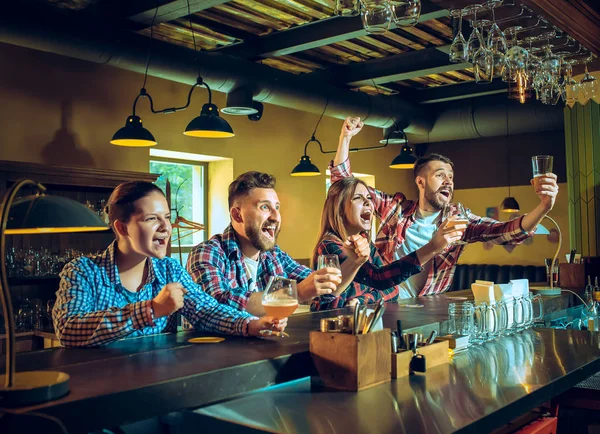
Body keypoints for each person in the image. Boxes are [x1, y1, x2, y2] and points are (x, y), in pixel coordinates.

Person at [331, 117, 559, 297]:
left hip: (427, 308)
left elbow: (505, 232)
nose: (448, 181)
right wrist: (345, 138)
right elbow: (344, 187)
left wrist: (545, 206)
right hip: (383, 302)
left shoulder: (459, 222)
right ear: (420, 182)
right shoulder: (395, 209)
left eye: (450, 176)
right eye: (440, 175)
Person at [52, 181, 285, 347]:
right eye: (152, 219)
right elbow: (68, 329)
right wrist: (150, 310)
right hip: (101, 389)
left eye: (166, 217)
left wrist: (251, 325)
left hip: (159, 385)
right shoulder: (82, 271)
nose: (166, 228)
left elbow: (206, 310)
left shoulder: (169, 269)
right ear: (121, 228)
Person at [187, 171, 342, 316]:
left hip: (266, 343)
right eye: (265, 207)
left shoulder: (274, 255)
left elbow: (322, 287)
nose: (276, 217)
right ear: (237, 214)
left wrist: (355, 261)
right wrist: (296, 293)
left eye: (277, 207)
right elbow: (216, 304)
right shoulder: (208, 252)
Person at [310, 176, 465, 310]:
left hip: (357, 324)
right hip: (330, 328)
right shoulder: (330, 246)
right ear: (340, 208)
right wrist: (432, 247)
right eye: (358, 198)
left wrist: (362, 300)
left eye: (369, 198)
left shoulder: (365, 243)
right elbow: (379, 278)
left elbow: (392, 288)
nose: (368, 203)